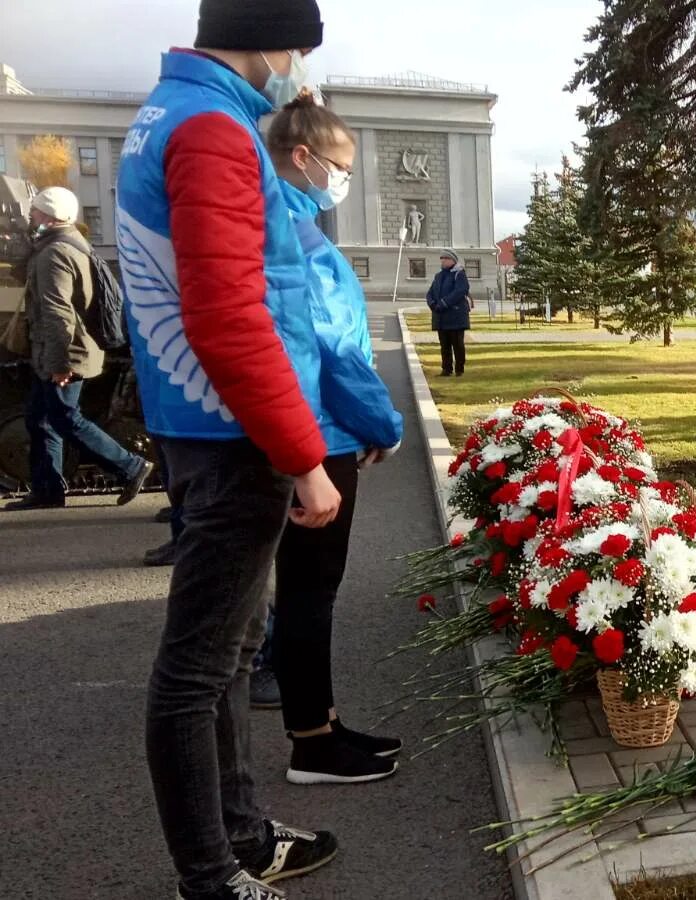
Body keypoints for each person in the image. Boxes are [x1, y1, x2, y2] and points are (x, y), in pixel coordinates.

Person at [117, 2, 343, 897]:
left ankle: (242, 835)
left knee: (231, 647)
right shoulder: (211, 128)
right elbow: (230, 313)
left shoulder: (172, 113)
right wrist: (303, 455)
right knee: (199, 668)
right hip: (232, 431)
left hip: (202, 423)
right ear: (262, 35)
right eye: (292, 48)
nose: (293, 67)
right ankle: (212, 875)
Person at [267, 92, 406, 783]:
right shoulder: (298, 241)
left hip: (308, 430)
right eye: (338, 166)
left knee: (303, 589)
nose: (341, 181)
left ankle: (319, 723)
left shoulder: (287, 227)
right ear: (302, 158)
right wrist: (384, 425)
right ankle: (311, 745)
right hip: (316, 438)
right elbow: (333, 351)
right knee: (309, 590)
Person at [4, 187, 155, 511]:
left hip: (64, 351)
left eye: (36, 213)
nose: (31, 217)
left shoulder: (53, 253)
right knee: (39, 418)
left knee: (65, 418)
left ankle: (130, 466)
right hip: (62, 349)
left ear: (50, 216)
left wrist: (60, 363)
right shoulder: (65, 244)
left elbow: (57, 312)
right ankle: (47, 490)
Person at [428, 249, 471, 376]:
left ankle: (459, 369)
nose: (443, 260)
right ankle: (446, 369)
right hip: (441, 317)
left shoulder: (459, 274)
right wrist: (432, 303)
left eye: (445, 258)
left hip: (455, 316)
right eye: (441, 258)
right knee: (444, 345)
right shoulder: (439, 276)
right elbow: (430, 292)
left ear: (452, 260)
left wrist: (443, 303)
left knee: (457, 345)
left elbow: (460, 291)